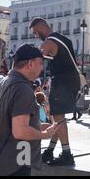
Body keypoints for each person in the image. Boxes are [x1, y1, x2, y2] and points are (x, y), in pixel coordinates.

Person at [0, 44, 60, 176]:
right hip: (15, 162)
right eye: (40, 63)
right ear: (31, 64)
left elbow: (0, 118)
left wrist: (36, 126)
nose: (42, 67)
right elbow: (20, 131)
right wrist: (44, 135)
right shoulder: (23, 89)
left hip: (0, 157)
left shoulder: (5, 82)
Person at [30, 17, 80, 166]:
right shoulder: (62, 38)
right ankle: (50, 151)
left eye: (35, 32)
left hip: (63, 80)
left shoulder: (49, 42)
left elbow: (36, 63)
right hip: (71, 79)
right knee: (57, 119)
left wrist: (33, 81)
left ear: (41, 27)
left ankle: (66, 154)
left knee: (58, 118)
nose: (35, 35)